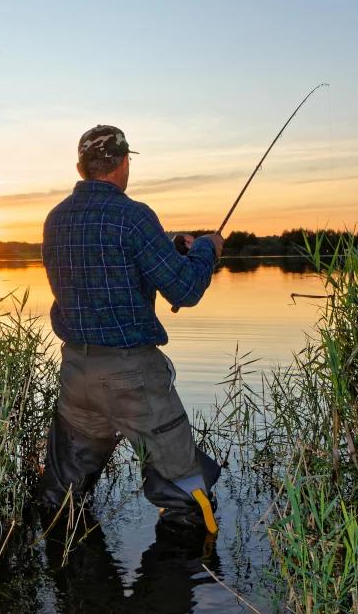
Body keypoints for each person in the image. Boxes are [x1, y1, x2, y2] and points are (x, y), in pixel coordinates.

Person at [39, 124, 224, 531]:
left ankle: (68, 581)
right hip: (132, 379)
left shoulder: (56, 220)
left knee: (61, 501)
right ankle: (178, 584)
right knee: (189, 501)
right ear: (123, 163)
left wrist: (169, 250)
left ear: (81, 167)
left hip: (75, 376)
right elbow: (185, 289)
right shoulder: (134, 216)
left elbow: (105, 273)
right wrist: (208, 250)